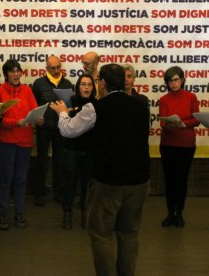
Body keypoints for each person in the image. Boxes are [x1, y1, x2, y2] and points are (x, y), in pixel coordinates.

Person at [50, 63, 150, 276]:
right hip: (139, 181)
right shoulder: (142, 106)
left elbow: (68, 130)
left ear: (102, 83)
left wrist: (62, 113)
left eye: (96, 81)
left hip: (109, 183)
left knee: (102, 235)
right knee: (129, 234)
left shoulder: (95, 107)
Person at [0, 60, 40, 230]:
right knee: (6, 179)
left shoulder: (27, 90)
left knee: (21, 179)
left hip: (25, 140)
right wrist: (16, 122)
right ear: (6, 74)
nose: (16, 74)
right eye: (12, 71)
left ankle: (19, 213)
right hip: (5, 141)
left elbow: (34, 110)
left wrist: (38, 118)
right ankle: (3, 215)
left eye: (18, 71)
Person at [159, 66, 200, 228]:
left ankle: (180, 213)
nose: (173, 83)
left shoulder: (191, 97)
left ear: (182, 80)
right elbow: (163, 122)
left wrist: (182, 123)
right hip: (168, 144)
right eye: (170, 80)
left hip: (186, 145)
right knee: (169, 181)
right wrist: (171, 123)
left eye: (176, 79)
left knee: (182, 180)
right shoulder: (164, 99)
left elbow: (196, 120)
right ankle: (170, 213)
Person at [32, 55, 73, 206]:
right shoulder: (38, 83)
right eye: (52, 68)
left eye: (58, 67)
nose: (56, 71)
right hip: (43, 129)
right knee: (41, 162)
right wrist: (36, 118)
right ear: (47, 68)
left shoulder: (68, 83)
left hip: (61, 129)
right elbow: (33, 105)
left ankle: (58, 193)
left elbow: (70, 106)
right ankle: (39, 194)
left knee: (59, 162)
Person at [61, 74, 97, 230]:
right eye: (83, 84)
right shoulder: (69, 102)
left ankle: (85, 215)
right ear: (77, 87)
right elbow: (63, 124)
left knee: (87, 186)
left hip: (90, 151)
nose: (87, 87)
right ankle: (67, 214)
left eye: (90, 84)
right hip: (71, 150)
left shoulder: (97, 104)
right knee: (70, 183)